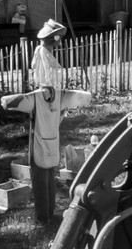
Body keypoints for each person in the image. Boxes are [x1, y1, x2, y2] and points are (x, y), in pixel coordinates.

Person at [11, 21, 93, 228]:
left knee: (47, 174)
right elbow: (15, 100)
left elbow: (79, 96)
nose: (57, 44)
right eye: (56, 39)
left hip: (50, 130)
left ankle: (48, 214)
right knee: (41, 173)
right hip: (41, 130)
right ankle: (43, 216)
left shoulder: (53, 90)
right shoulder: (41, 54)